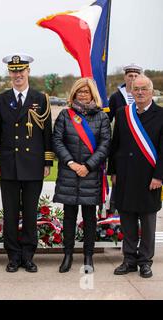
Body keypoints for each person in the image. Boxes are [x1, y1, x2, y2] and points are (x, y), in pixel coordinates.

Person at [0, 54, 53, 273]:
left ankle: (28, 256)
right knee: (10, 213)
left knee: (29, 213)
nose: (17, 75)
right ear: (9, 73)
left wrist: (47, 162)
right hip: (8, 164)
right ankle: (13, 256)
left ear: (28, 72)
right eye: (14, 71)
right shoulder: (0, 99)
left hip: (33, 164)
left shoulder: (41, 99)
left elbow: (47, 133)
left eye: (21, 71)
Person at [53, 78, 111, 274]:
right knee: (68, 217)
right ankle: (67, 255)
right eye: (80, 91)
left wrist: (87, 166)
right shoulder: (65, 115)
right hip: (69, 173)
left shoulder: (102, 117)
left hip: (90, 174)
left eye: (86, 91)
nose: (83, 94)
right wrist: (72, 163)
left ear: (93, 93)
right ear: (74, 94)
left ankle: (88, 256)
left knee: (89, 219)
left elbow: (105, 145)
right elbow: (57, 142)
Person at [109, 75, 163, 279]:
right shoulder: (123, 114)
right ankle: (129, 259)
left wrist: (159, 176)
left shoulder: (161, 114)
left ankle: (145, 261)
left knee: (148, 222)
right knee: (128, 220)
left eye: (144, 89)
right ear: (131, 92)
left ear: (152, 92)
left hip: (150, 178)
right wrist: (112, 171)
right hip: (125, 176)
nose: (140, 92)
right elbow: (116, 145)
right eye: (136, 89)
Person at [106, 64, 143, 215]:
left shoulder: (141, 95)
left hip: (141, 144)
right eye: (130, 76)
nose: (133, 78)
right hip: (122, 144)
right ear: (125, 77)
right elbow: (107, 119)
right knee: (118, 181)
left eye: (135, 76)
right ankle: (113, 214)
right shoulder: (116, 97)